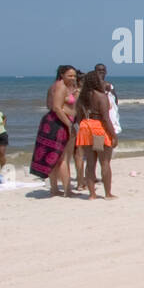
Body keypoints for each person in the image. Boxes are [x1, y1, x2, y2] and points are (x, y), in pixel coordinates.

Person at [31, 66, 78, 195]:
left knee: (54, 157)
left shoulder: (54, 86)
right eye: (70, 75)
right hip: (58, 123)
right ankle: (67, 190)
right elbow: (57, 108)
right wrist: (68, 123)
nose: (73, 78)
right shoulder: (61, 87)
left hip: (52, 122)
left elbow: (49, 104)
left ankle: (54, 188)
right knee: (63, 158)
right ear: (62, 74)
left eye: (74, 76)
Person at [75, 69, 118, 199]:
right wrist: (114, 135)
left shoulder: (82, 97)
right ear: (96, 81)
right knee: (104, 162)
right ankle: (108, 193)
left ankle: (92, 194)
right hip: (98, 129)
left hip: (85, 127)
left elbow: (79, 117)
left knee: (90, 162)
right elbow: (105, 118)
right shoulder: (101, 96)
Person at [94, 63, 121, 137]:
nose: (101, 71)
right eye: (99, 70)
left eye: (103, 70)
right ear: (94, 72)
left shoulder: (110, 85)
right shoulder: (93, 85)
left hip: (111, 113)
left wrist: (115, 111)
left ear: (106, 72)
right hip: (99, 116)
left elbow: (115, 99)